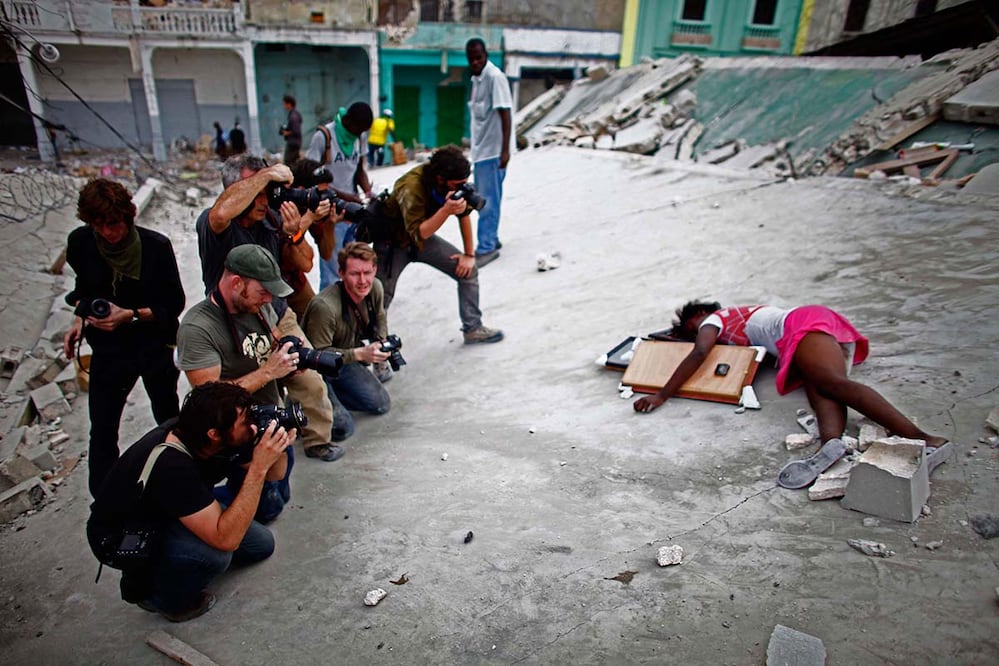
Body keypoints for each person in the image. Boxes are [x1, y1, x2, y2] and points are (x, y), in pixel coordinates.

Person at [633, 302, 948, 483]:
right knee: (822, 390)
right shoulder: (737, 323)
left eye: (691, 327)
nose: (696, 334)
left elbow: (700, 353)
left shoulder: (714, 319)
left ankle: (925, 438)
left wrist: (661, 395)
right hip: (801, 331)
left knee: (835, 384)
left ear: (700, 315)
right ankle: (831, 446)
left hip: (802, 324)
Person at [87, 382, 292, 622]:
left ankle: (184, 557)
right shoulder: (171, 465)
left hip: (171, 508)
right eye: (245, 421)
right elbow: (227, 539)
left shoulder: (220, 435)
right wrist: (258, 467)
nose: (253, 425)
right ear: (214, 434)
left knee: (261, 545)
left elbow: (275, 475)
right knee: (217, 554)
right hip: (124, 533)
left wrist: (278, 443)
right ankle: (162, 598)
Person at [195, 154, 343, 460]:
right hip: (231, 322)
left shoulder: (270, 219)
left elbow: (304, 262)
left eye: (268, 191)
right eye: (259, 190)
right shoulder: (215, 222)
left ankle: (316, 441)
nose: (266, 199)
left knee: (310, 379)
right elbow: (221, 213)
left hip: (273, 312)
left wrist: (296, 232)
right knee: (247, 398)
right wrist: (265, 175)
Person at [63, 178, 185, 496]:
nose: (107, 233)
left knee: (168, 418)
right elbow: (83, 290)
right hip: (109, 350)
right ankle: (105, 499)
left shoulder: (155, 247)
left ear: (128, 217)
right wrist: (80, 318)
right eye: (98, 225)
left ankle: (183, 484)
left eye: (113, 224)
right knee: (102, 428)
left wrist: (129, 314)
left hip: (154, 345)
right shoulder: (81, 243)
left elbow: (173, 305)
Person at [365, 144, 503, 345]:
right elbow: (419, 232)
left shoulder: (453, 186)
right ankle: (379, 351)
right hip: (392, 244)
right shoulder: (411, 186)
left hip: (421, 242)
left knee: (468, 272)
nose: (461, 188)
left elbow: (463, 214)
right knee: (379, 299)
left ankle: (473, 328)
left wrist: (469, 255)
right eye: (457, 184)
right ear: (440, 179)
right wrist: (446, 210)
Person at [303, 243, 392, 440]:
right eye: (354, 274)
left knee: (381, 404)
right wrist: (359, 354)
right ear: (341, 273)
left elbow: (380, 318)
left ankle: (332, 401)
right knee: (342, 429)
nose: (363, 281)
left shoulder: (375, 288)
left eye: (367, 272)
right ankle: (304, 402)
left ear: (375, 270)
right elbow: (316, 356)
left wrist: (381, 343)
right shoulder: (324, 307)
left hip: (344, 361)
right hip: (316, 371)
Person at [305, 101, 374, 288]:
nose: (359, 134)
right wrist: (343, 196)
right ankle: (329, 314)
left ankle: (349, 312)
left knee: (353, 268)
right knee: (332, 272)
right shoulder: (324, 136)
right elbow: (310, 176)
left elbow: (359, 169)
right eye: (358, 129)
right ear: (348, 121)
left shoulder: (359, 137)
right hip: (330, 213)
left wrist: (367, 191)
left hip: (352, 212)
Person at [465, 37, 513, 268]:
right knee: (490, 198)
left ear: (486, 55)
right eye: (471, 58)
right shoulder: (477, 80)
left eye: (479, 57)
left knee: (486, 201)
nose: (475, 62)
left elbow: (506, 114)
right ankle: (491, 238)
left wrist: (505, 151)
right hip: (481, 150)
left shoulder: (495, 77)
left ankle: (486, 247)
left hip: (492, 152)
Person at [280, 95, 303, 165]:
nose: (284, 106)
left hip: (293, 143)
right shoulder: (294, 114)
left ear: (289, 104)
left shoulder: (293, 116)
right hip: (295, 142)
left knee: (288, 162)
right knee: (293, 162)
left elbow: (296, 130)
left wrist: (287, 133)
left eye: (285, 104)